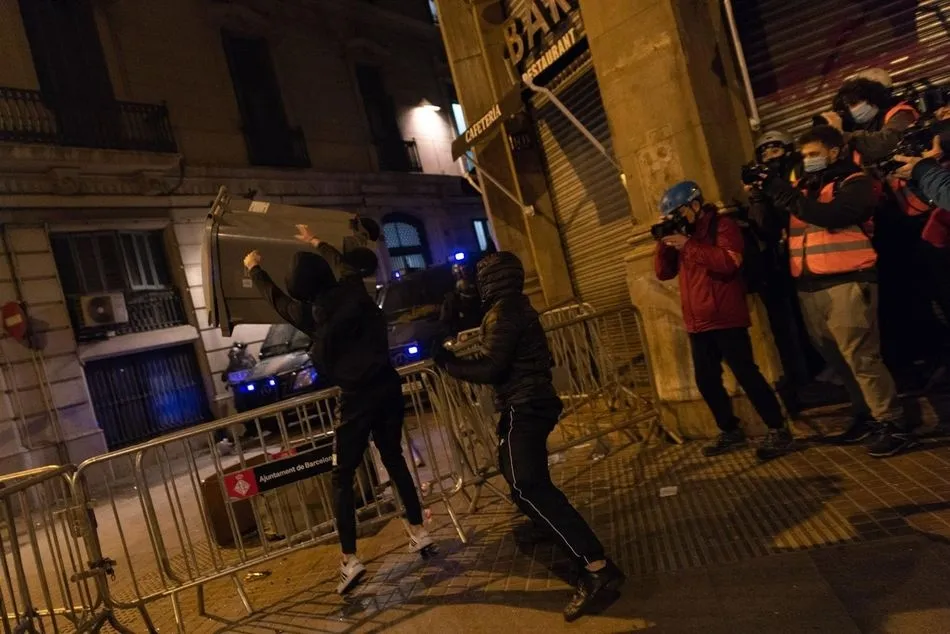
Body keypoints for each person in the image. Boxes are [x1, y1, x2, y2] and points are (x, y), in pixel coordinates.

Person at [433, 251, 624, 623]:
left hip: (527, 404)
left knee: (526, 485)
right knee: (517, 472)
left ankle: (595, 566)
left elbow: (492, 366)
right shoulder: (511, 307)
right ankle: (544, 524)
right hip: (527, 402)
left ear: (492, 281)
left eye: (480, 279)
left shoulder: (505, 312)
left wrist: (448, 364)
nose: (475, 284)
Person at [242, 230, 433, 595]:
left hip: (356, 399)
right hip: (388, 386)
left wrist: (255, 270)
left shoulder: (310, 314)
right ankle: (419, 531)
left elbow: (276, 301)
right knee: (394, 459)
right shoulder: (354, 289)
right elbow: (344, 265)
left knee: (342, 476)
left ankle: (349, 558)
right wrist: (318, 241)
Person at [751, 125, 917, 457]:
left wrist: (782, 191)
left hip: (848, 282)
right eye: (805, 155)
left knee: (862, 357)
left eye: (814, 154)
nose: (808, 160)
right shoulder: (803, 188)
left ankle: (893, 423)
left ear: (833, 151)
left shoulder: (854, 182)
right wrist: (760, 194)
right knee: (838, 360)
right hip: (810, 286)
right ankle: (865, 416)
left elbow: (831, 216)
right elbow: (768, 227)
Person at [654, 181, 792, 461]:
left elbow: (728, 263)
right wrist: (665, 243)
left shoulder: (722, 226)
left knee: (746, 374)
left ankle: (778, 428)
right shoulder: (683, 235)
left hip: (725, 317)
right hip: (698, 321)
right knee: (706, 381)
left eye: (679, 212)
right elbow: (663, 273)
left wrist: (688, 245)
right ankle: (730, 430)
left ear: (694, 206)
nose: (678, 218)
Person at [745, 130, 817, 415]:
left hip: (814, 258)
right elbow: (763, 226)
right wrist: (757, 196)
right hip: (781, 264)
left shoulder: (800, 175)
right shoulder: (762, 189)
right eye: (765, 152)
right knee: (793, 326)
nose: (771, 156)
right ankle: (804, 378)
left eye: (776, 150)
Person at [440, 261, 484, 336]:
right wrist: (451, 337)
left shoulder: (483, 293)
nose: (464, 277)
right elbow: (445, 323)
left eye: (466, 271)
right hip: (466, 339)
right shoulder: (452, 300)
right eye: (460, 274)